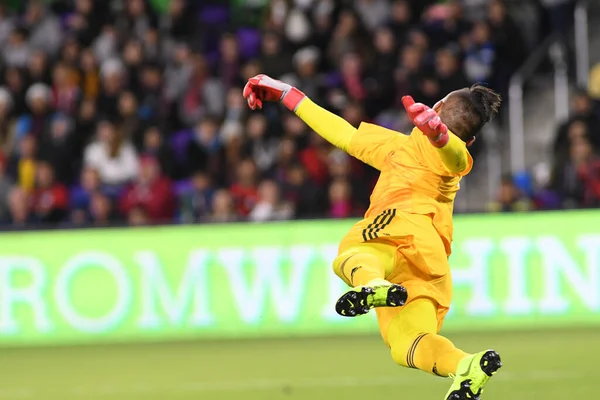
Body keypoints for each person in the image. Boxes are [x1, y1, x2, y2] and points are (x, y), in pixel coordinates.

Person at [243, 74, 502, 400]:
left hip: (400, 227)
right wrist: (288, 94)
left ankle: (373, 285)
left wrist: (438, 134)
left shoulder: (443, 152)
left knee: (353, 250)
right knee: (406, 343)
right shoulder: (405, 148)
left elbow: (454, 155)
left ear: (436, 107)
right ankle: (466, 366)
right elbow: (345, 135)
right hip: (430, 260)